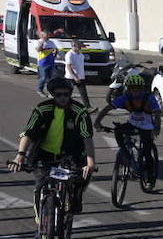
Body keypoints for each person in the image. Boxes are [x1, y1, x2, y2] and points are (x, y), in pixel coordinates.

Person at [8, 78, 97, 221]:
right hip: (44, 153)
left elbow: (87, 137)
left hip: (72, 154)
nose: (63, 98)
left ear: (70, 94)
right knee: (40, 187)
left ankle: (75, 197)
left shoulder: (80, 112)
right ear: (52, 95)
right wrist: (20, 155)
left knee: (82, 177)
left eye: (66, 94)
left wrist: (91, 162)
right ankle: (40, 225)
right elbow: (28, 133)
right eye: (58, 95)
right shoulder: (42, 109)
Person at [94, 72, 161, 167]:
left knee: (147, 152)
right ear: (128, 89)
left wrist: (157, 128)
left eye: (138, 89)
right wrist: (97, 122)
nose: (135, 92)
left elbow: (157, 113)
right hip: (132, 124)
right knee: (118, 130)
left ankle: (150, 178)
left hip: (147, 126)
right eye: (132, 89)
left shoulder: (149, 98)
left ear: (142, 89)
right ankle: (125, 153)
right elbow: (107, 109)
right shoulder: (125, 98)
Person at [63, 37, 90, 105]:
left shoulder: (81, 54)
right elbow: (69, 66)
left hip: (81, 77)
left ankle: (88, 107)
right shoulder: (69, 54)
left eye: (80, 46)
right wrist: (75, 77)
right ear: (73, 46)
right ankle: (64, 105)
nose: (80, 48)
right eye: (79, 46)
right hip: (70, 77)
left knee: (83, 93)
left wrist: (81, 76)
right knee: (68, 93)